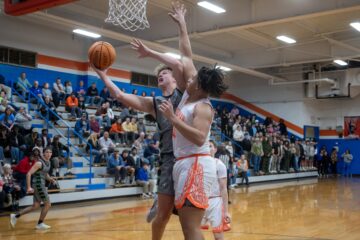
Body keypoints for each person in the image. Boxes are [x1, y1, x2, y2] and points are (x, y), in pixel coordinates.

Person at [157, 2, 228, 238]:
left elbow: (199, 138)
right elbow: (186, 54)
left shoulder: (203, 107)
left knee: (191, 227)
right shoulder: (189, 95)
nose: (189, 78)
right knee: (188, 227)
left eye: (194, 79)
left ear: (200, 86)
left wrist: (172, 119)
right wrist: (182, 23)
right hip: (185, 164)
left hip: (196, 164)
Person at [10, 147, 55, 230]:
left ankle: (15, 216)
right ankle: (40, 223)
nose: (49, 154)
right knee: (48, 204)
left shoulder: (48, 162)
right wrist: (28, 187)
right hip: (38, 185)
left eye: (50, 152)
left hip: (40, 184)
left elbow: (45, 174)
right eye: (47, 152)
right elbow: (28, 174)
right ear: (43, 153)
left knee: (35, 205)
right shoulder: (39, 163)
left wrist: (50, 179)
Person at [201, 140, 231, 239]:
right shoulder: (198, 164)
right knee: (194, 232)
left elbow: (223, 188)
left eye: (210, 146)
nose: (208, 148)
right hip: (200, 202)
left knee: (218, 235)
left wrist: (226, 211)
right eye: (206, 146)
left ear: (215, 149)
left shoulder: (219, 165)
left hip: (215, 202)